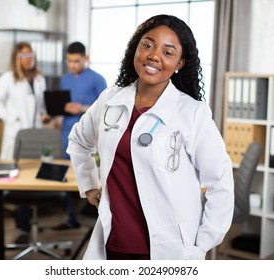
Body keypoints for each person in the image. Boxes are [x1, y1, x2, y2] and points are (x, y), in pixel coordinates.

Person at [67, 14, 234, 260]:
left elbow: (221, 182)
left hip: (169, 249)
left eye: (168, 52)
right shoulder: (110, 100)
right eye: (147, 45)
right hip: (114, 241)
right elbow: (79, 141)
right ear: (135, 48)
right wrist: (89, 185)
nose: (154, 55)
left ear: (179, 63)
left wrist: (202, 244)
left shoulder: (192, 113)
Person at [0, 41, 50, 242]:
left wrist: (44, 115)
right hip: (16, 134)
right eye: (23, 55)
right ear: (17, 58)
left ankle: (30, 223)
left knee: (34, 177)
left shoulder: (39, 78)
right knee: (18, 177)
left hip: (35, 135)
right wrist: (11, 118)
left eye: (30, 55)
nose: (28, 59)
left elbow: (41, 106)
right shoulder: (8, 78)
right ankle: (22, 225)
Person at [54, 42, 107, 229]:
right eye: (69, 61)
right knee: (69, 175)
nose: (72, 65)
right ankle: (71, 218)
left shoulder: (98, 80)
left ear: (86, 58)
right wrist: (57, 116)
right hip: (68, 131)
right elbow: (64, 104)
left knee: (92, 175)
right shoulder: (65, 80)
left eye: (76, 61)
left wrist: (83, 108)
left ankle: (98, 218)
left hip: (91, 137)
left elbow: (106, 109)